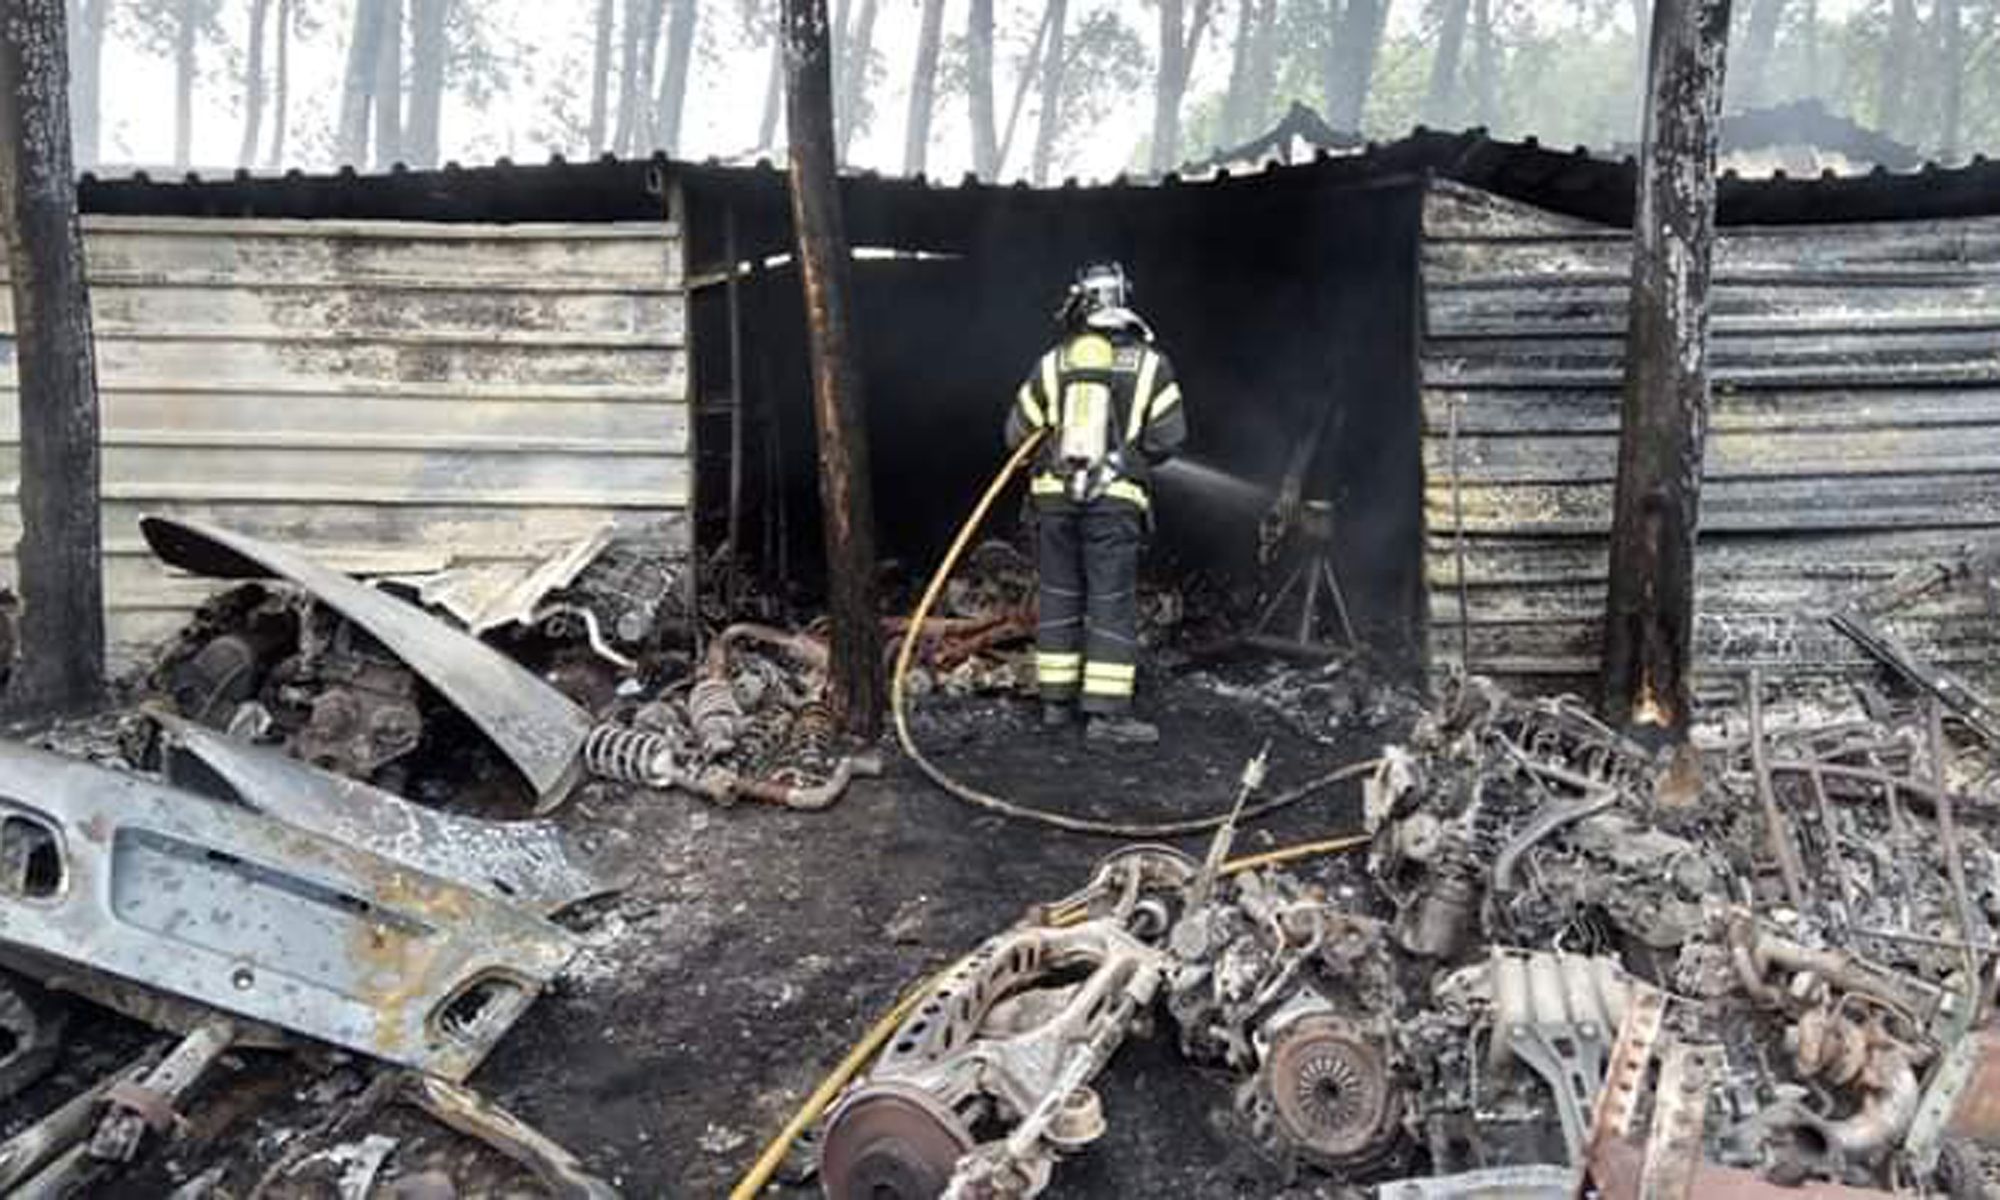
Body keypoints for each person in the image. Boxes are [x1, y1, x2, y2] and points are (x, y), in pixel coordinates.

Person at [1004, 262, 1187, 745]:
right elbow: (1169, 438)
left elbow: (1016, 434)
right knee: (1111, 602)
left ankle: (1055, 705)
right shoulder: (1152, 365)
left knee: (1059, 595)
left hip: (1052, 501)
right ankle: (1107, 716)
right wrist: (1124, 463)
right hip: (1115, 502)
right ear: (1123, 298)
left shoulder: (1052, 362)